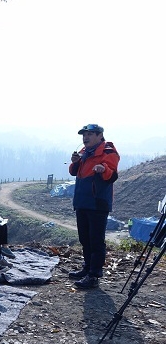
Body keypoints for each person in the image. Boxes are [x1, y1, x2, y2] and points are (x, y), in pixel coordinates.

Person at [68, 124, 120, 289]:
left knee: (96, 240)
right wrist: (75, 162)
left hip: (97, 203)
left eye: (90, 134)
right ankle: (87, 268)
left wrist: (102, 168)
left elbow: (112, 174)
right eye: (84, 134)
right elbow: (73, 172)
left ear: (99, 136)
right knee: (85, 238)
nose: (86, 137)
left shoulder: (108, 152)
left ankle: (94, 275)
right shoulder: (84, 152)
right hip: (82, 202)